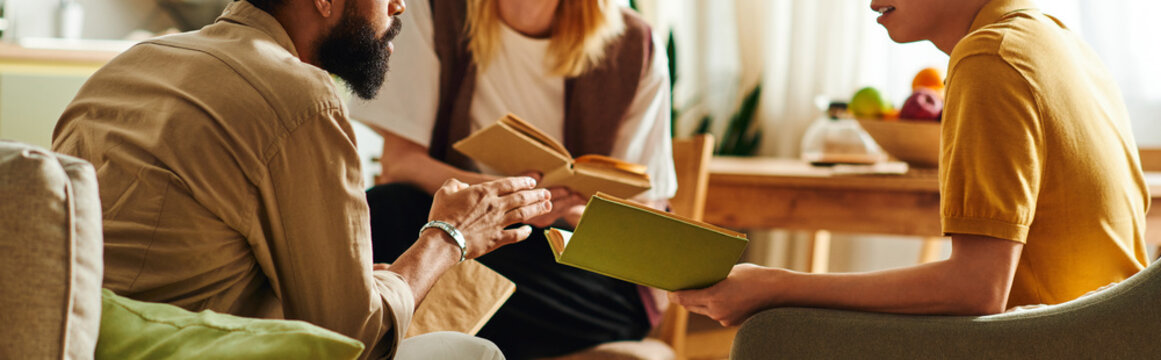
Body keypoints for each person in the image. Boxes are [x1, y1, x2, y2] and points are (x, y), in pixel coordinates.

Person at [51, 0, 555, 358]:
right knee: (473, 352)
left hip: (81, 337)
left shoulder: (130, 65)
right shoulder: (300, 97)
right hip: (191, 347)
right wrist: (448, 237)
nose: (398, 6)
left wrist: (365, 279)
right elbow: (357, 339)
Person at [672, 0, 1151, 326]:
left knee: (776, 334)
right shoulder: (1059, 42)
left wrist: (777, 286)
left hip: (1054, 342)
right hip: (1113, 335)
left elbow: (975, 289)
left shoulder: (991, 56)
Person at [348, 0, 676, 357]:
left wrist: (565, 211)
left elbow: (643, 219)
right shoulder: (437, 12)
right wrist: (508, 203)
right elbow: (401, 163)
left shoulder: (636, 45)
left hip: (578, 272)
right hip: (471, 235)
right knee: (388, 209)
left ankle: (422, 323)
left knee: (403, 266)